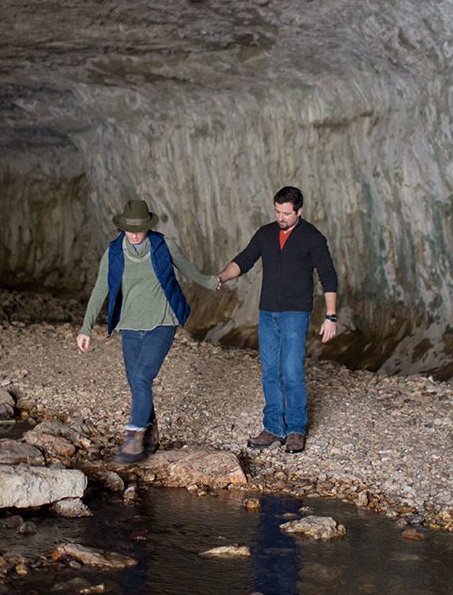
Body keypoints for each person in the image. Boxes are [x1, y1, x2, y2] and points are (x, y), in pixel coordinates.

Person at [76, 199, 219, 463]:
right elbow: (100, 289)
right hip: (129, 325)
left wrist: (211, 282)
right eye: (130, 229)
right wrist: (85, 328)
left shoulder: (163, 246)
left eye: (139, 229)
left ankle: (133, 438)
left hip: (161, 322)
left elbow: (187, 269)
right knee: (136, 383)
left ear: (148, 226)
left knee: (142, 377)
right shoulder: (114, 252)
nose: (134, 234)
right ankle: (150, 432)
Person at [215, 186, 338, 454]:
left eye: (286, 213)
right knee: (270, 371)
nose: (281, 217)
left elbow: (328, 275)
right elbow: (244, 260)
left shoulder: (312, 237)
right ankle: (273, 428)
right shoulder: (266, 234)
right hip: (267, 312)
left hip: (296, 313)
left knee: (291, 371)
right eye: (277, 212)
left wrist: (331, 316)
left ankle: (295, 430)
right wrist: (222, 276)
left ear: (299, 212)